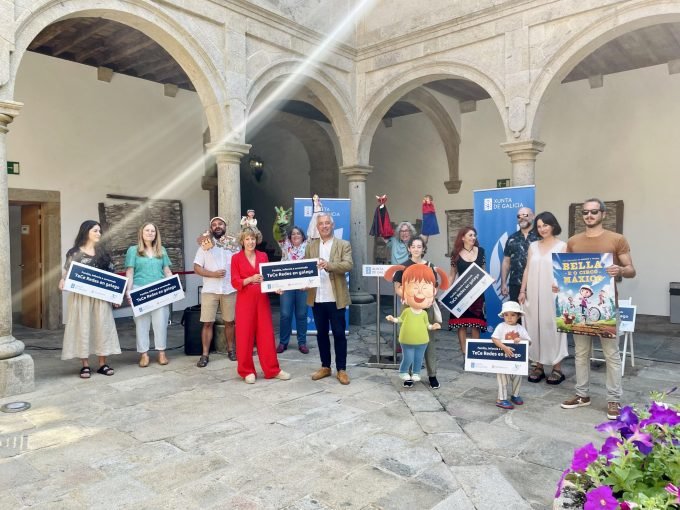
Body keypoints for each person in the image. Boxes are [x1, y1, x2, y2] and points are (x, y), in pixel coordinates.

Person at [560, 198, 636, 421]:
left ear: (603, 214)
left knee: (611, 354)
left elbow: (631, 270)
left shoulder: (616, 239)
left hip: (607, 308)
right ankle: (582, 394)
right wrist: (559, 284)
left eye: (594, 212)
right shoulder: (573, 241)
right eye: (585, 212)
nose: (589, 216)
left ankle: (614, 398)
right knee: (581, 353)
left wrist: (619, 270)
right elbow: (565, 272)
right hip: (580, 310)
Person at [59, 220, 121, 378]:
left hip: (101, 299)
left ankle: (102, 364)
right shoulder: (74, 252)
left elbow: (112, 276)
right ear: (86, 231)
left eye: (99, 231)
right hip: (81, 298)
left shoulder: (103, 253)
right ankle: (85, 365)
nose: (99, 233)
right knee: (83, 328)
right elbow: (67, 271)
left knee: (102, 327)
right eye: (95, 230)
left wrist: (116, 296)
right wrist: (63, 280)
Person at [231, 227, 291, 383]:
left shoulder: (263, 256)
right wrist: (250, 279)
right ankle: (246, 371)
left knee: (266, 335)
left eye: (253, 238)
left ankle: (272, 369)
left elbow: (269, 278)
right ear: (242, 241)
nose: (250, 242)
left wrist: (276, 288)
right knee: (244, 336)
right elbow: (234, 282)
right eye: (247, 239)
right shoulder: (236, 258)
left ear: (256, 240)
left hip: (262, 300)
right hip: (245, 302)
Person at [518, 211, 568, 385]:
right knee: (534, 327)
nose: (542, 229)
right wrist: (522, 291)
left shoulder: (562, 246)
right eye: (539, 226)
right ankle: (538, 365)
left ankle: (557, 368)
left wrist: (562, 287)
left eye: (545, 225)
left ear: (553, 225)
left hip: (552, 294)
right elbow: (527, 269)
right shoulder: (533, 246)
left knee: (552, 328)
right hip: (533, 292)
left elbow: (565, 273)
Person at [304, 213, 353, 385]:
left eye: (327, 223)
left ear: (332, 225)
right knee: (321, 334)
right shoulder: (311, 246)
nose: (324, 226)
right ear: (317, 227)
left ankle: (341, 369)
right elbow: (304, 267)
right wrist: (303, 282)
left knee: (339, 334)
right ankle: (325, 366)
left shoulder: (343, 244)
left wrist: (329, 265)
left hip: (336, 297)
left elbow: (348, 265)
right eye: (321, 224)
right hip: (317, 297)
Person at [386, 262, 448, 388]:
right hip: (409, 304)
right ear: (409, 249)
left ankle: (432, 375)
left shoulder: (430, 266)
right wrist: (410, 296)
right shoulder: (403, 266)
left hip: (427, 308)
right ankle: (408, 376)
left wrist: (426, 298)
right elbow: (397, 287)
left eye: (419, 246)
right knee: (409, 339)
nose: (416, 249)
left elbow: (433, 286)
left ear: (423, 248)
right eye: (413, 246)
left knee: (428, 342)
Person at [125, 223, 173, 367]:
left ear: (156, 234)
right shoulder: (133, 250)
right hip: (140, 291)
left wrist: (172, 283)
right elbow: (130, 272)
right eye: (147, 230)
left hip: (160, 291)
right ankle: (144, 354)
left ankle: (161, 353)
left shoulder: (161, 250)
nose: (150, 233)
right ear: (141, 232)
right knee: (141, 323)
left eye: (153, 231)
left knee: (161, 323)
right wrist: (129, 290)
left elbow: (167, 270)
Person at [193, 216, 237, 367]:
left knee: (230, 322)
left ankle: (231, 350)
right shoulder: (204, 245)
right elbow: (197, 267)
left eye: (220, 224)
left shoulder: (234, 245)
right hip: (210, 290)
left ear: (225, 226)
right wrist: (213, 274)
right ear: (211, 228)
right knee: (207, 323)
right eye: (214, 224)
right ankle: (204, 355)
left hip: (229, 289)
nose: (217, 226)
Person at [448, 227, 487, 354]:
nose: (473, 237)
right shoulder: (455, 254)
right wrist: (447, 293)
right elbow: (452, 274)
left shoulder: (481, 251)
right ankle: (465, 354)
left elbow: (483, 271)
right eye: (470, 235)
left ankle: (474, 353)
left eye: (474, 235)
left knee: (476, 325)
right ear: (463, 237)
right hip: (461, 293)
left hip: (477, 293)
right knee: (461, 325)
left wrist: (487, 279)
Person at [276, 226, 309, 354]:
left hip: (303, 286)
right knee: (285, 314)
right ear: (289, 237)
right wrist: (280, 223)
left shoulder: (308, 246)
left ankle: (302, 343)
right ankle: (283, 342)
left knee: (302, 315)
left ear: (303, 236)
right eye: (293, 234)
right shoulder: (285, 246)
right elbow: (278, 233)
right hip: (286, 285)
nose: (295, 235)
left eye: (298, 233)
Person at [491, 301, 530, 409]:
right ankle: (501, 399)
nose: (509, 317)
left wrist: (521, 339)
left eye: (513, 315)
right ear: (503, 316)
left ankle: (515, 395)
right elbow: (494, 338)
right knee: (503, 379)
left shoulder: (520, 328)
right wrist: (503, 347)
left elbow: (529, 341)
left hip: (517, 360)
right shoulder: (501, 326)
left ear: (518, 316)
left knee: (517, 377)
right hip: (502, 359)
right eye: (506, 315)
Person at [501, 207, 538, 302]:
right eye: (518, 216)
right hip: (515, 285)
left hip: (536, 284)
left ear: (533, 216)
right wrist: (503, 283)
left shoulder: (540, 237)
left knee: (534, 316)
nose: (521, 218)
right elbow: (506, 262)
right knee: (516, 316)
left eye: (525, 215)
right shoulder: (511, 238)